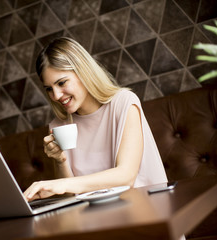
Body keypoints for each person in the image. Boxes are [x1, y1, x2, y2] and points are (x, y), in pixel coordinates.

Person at [23, 37, 167, 202]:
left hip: (144, 208)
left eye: (62, 83)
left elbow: (126, 176)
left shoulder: (124, 103)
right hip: (95, 217)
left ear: (83, 72)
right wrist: (60, 160)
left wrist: (62, 184)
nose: (56, 96)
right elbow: (71, 196)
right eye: (49, 89)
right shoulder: (59, 125)